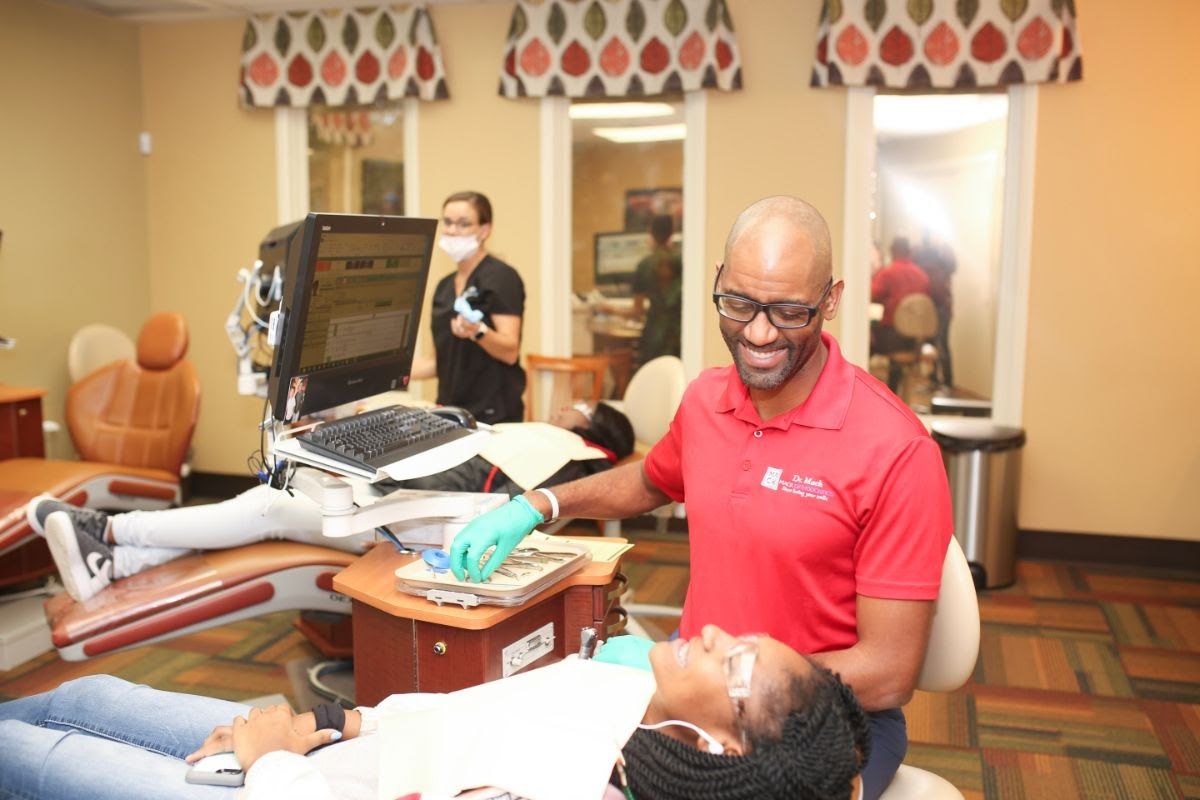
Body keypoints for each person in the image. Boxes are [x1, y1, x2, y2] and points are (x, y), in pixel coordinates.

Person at [444, 196, 953, 800]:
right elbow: (649, 481)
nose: (759, 333)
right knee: (508, 768)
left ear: (832, 300)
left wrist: (718, 688)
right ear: (717, 282)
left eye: (789, 311)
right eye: (739, 303)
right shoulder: (707, 398)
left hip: (814, 731)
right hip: (690, 700)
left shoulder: (894, 448)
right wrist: (539, 505)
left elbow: (890, 674)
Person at [0, 625, 870, 800]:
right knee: (89, 698)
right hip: (325, 760)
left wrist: (268, 762)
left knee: (40, 763)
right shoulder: (624, 701)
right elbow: (463, 716)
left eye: (734, 661)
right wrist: (342, 727)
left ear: (722, 746)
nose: (711, 633)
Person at [29, 402, 634, 603]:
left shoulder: (577, 454)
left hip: (422, 531)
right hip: (416, 507)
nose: (564, 405)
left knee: (268, 506)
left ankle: (110, 534)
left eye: (578, 404)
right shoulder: (548, 441)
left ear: (592, 427)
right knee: (271, 499)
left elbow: (488, 485)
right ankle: (122, 561)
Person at [409, 191, 527, 424]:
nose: (453, 230)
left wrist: (478, 331)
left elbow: (510, 351)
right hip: (449, 413)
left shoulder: (501, 278)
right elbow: (438, 361)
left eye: (463, 224)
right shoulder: (444, 287)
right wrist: (382, 375)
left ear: (484, 230)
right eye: (449, 222)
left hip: (492, 415)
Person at [869, 236, 932, 393]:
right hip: (916, 341)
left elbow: (873, 294)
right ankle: (893, 389)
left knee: (867, 340)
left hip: (892, 337)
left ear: (892, 251)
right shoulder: (922, 275)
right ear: (909, 251)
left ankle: (870, 392)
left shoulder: (888, 273)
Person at [631, 214, 683, 367]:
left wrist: (610, 310)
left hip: (654, 333)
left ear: (651, 233)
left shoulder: (644, 265)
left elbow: (637, 311)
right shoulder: (682, 262)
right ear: (672, 232)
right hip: (677, 333)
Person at [913, 231, 956, 389]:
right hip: (928, 306)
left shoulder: (944, 253)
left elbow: (952, 265)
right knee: (929, 344)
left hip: (942, 305)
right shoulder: (921, 253)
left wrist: (942, 246)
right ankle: (933, 380)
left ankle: (947, 383)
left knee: (941, 344)